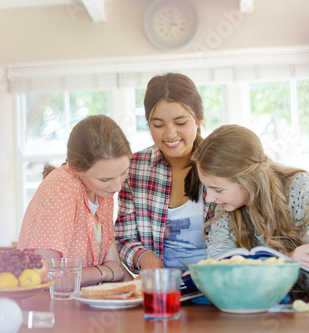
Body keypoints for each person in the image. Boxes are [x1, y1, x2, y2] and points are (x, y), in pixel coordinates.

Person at [191, 124, 309, 285]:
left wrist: (260, 270)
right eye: (206, 188)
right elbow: (220, 271)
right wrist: (286, 263)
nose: (209, 198)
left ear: (249, 180)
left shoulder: (301, 188)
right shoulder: (225, 207)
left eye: (218, 189)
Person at [115, 73, 213, 275]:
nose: (170, 134)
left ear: (198, 118)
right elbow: (124, 238)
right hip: (160, 290)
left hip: (216, 288)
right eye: (158, 125)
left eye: (180, 123)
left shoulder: (221, 165)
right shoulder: (134, 168)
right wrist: (143, 256)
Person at [17, 115, 132, 286]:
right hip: (50, 307)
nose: (117, 187)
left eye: (123, 173)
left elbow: (114, 265)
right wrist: (103, 272)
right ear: (77, 168)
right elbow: (47, 276)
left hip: (85, 304)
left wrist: (140, 290)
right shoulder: (60, 191)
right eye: (105, 179)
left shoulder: (102, 191)